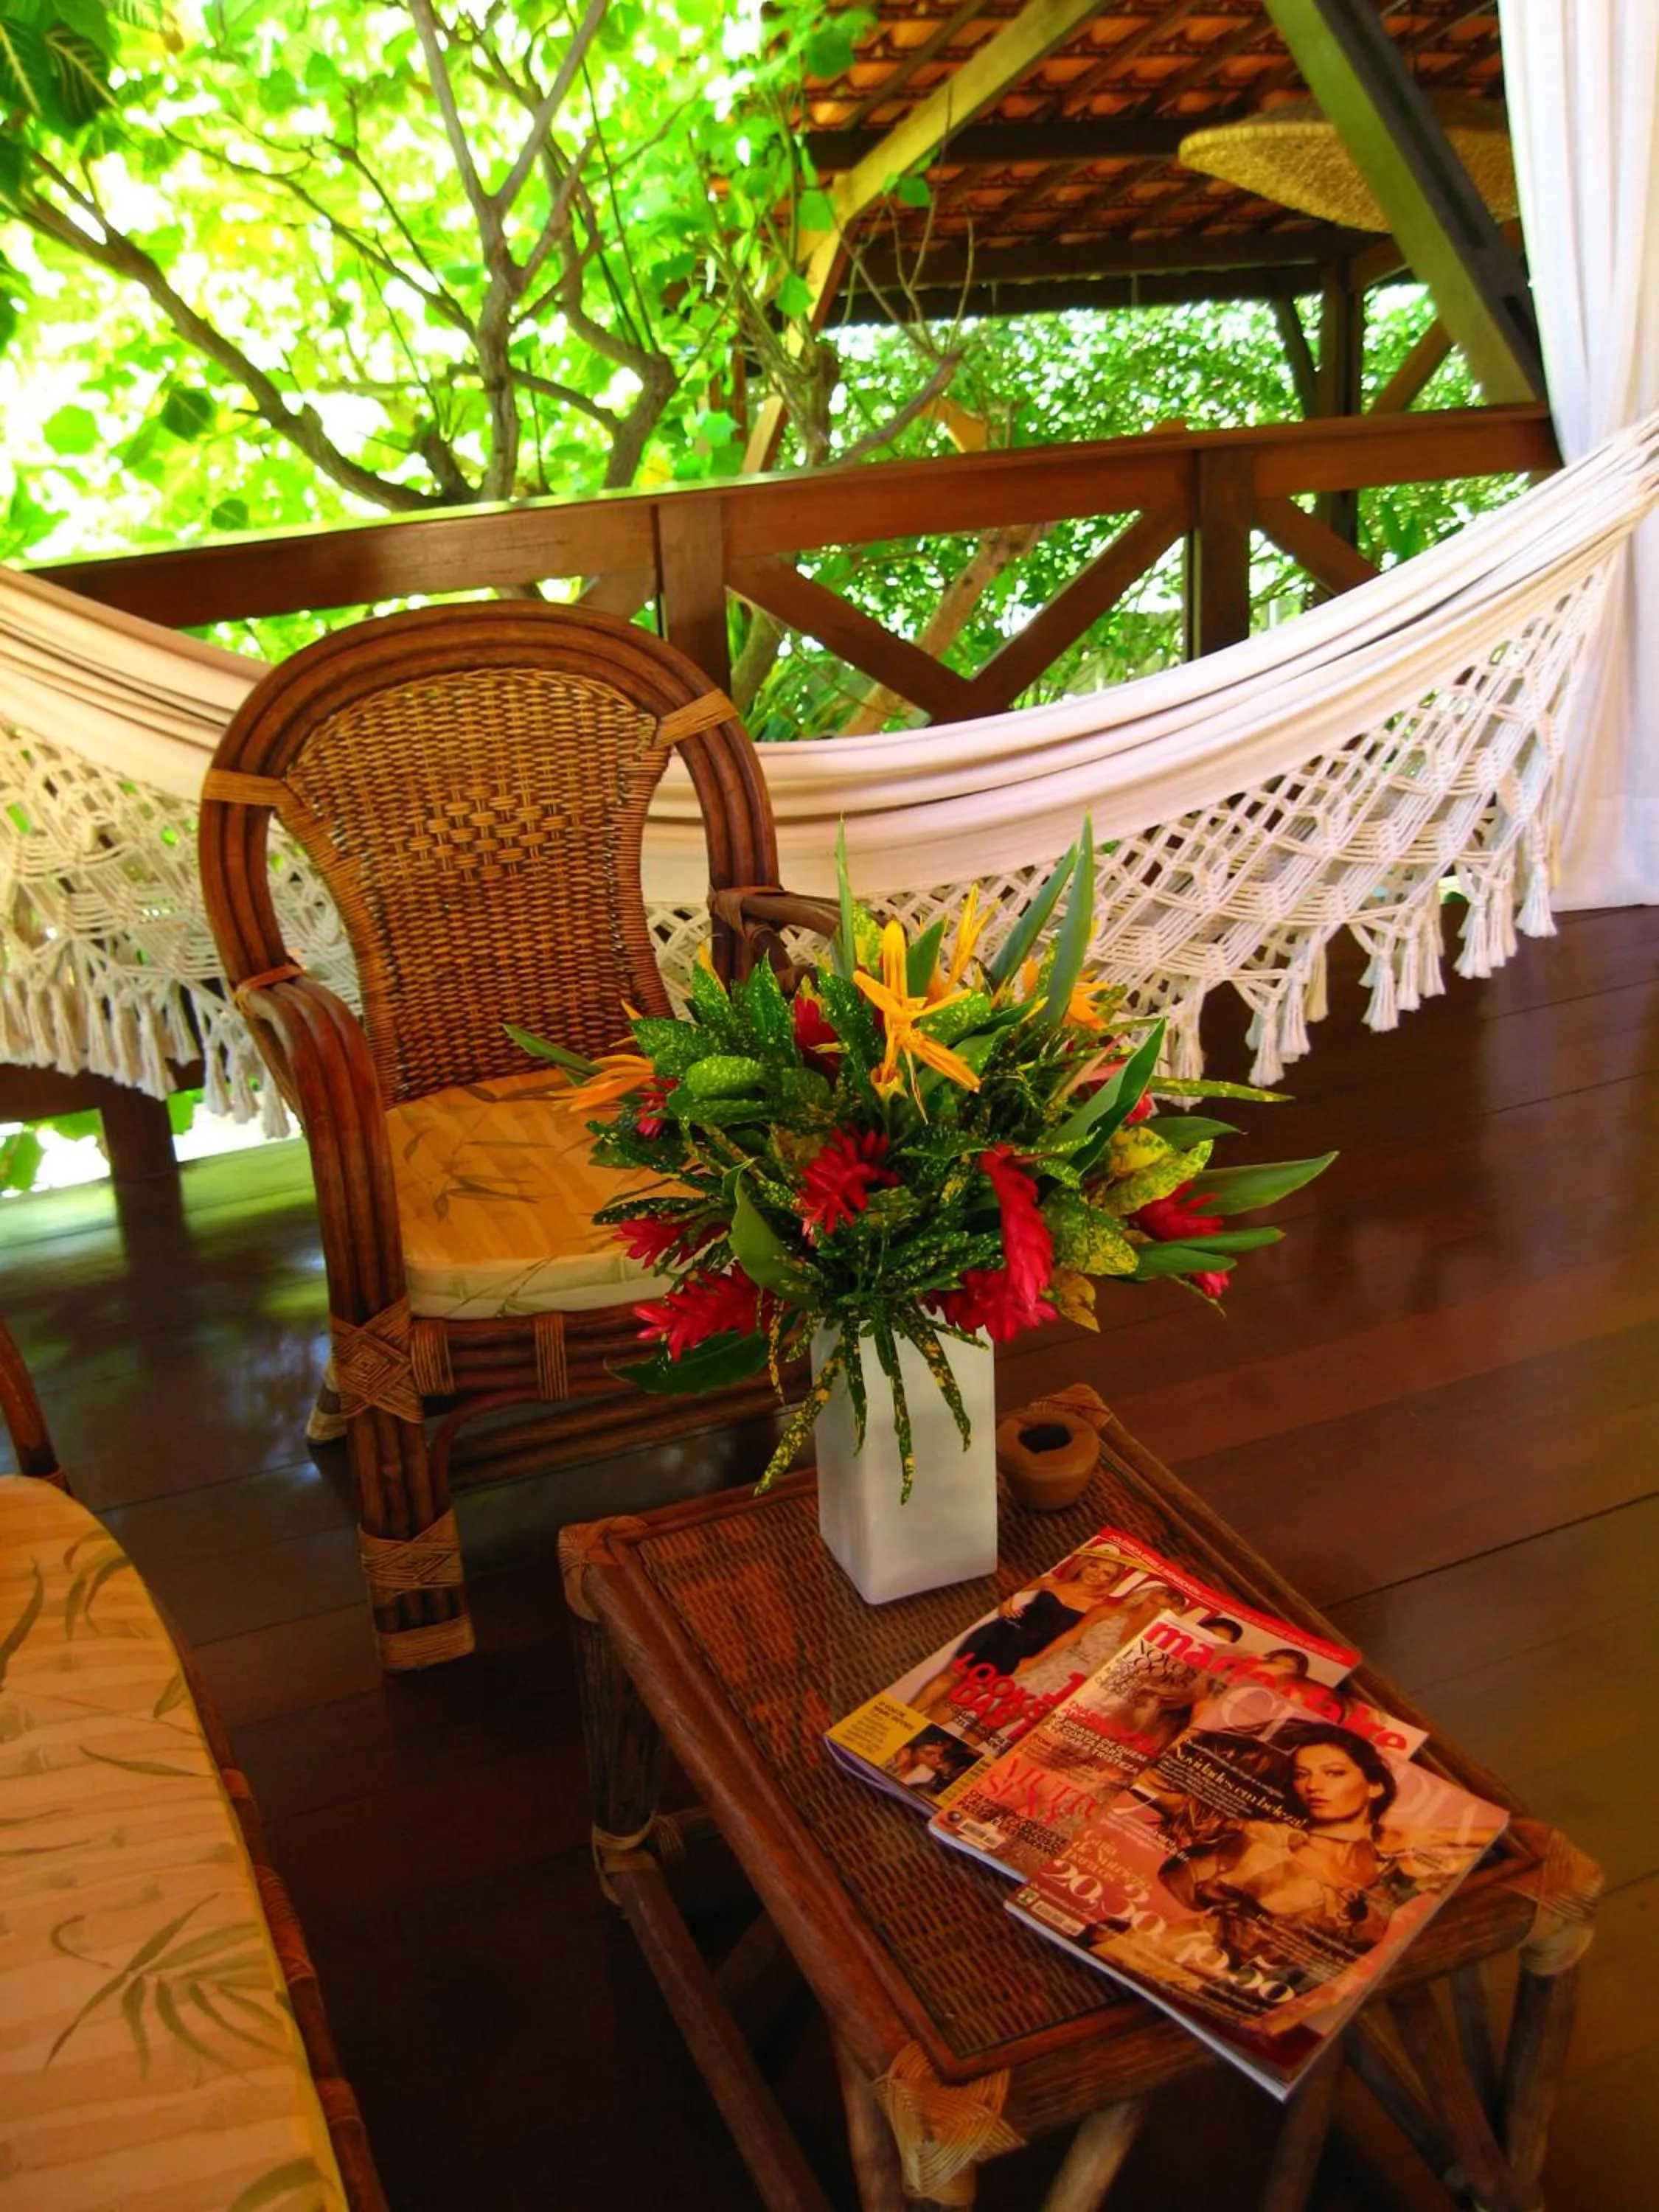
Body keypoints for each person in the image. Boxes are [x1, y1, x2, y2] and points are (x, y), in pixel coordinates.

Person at [1159, 1725, 1407, 1973]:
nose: (1313, 1786)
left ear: (1375, 1786)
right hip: (1176, 1961)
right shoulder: (1261, 1839)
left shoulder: (1394, 1867)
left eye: (1334, 1773)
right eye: (1301, 1775)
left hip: (1257, 1995)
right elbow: (1182, 1886)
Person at [905, 1545, 1142, 1719]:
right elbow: (1011, 1587)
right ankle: (904, 1720)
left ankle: (918, 1736)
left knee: (965, 1694)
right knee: (949, 1676)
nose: (1096, 1574)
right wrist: (1009, 1600)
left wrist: (1034, 1662)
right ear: (1084, 1564)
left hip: (1023, 1652)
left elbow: (1071, 1637)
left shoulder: (1098, 1608)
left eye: (1106, 1574)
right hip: (998, 1633)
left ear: (1111, 1582)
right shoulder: (1052, 1582)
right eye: (1095, 1565)